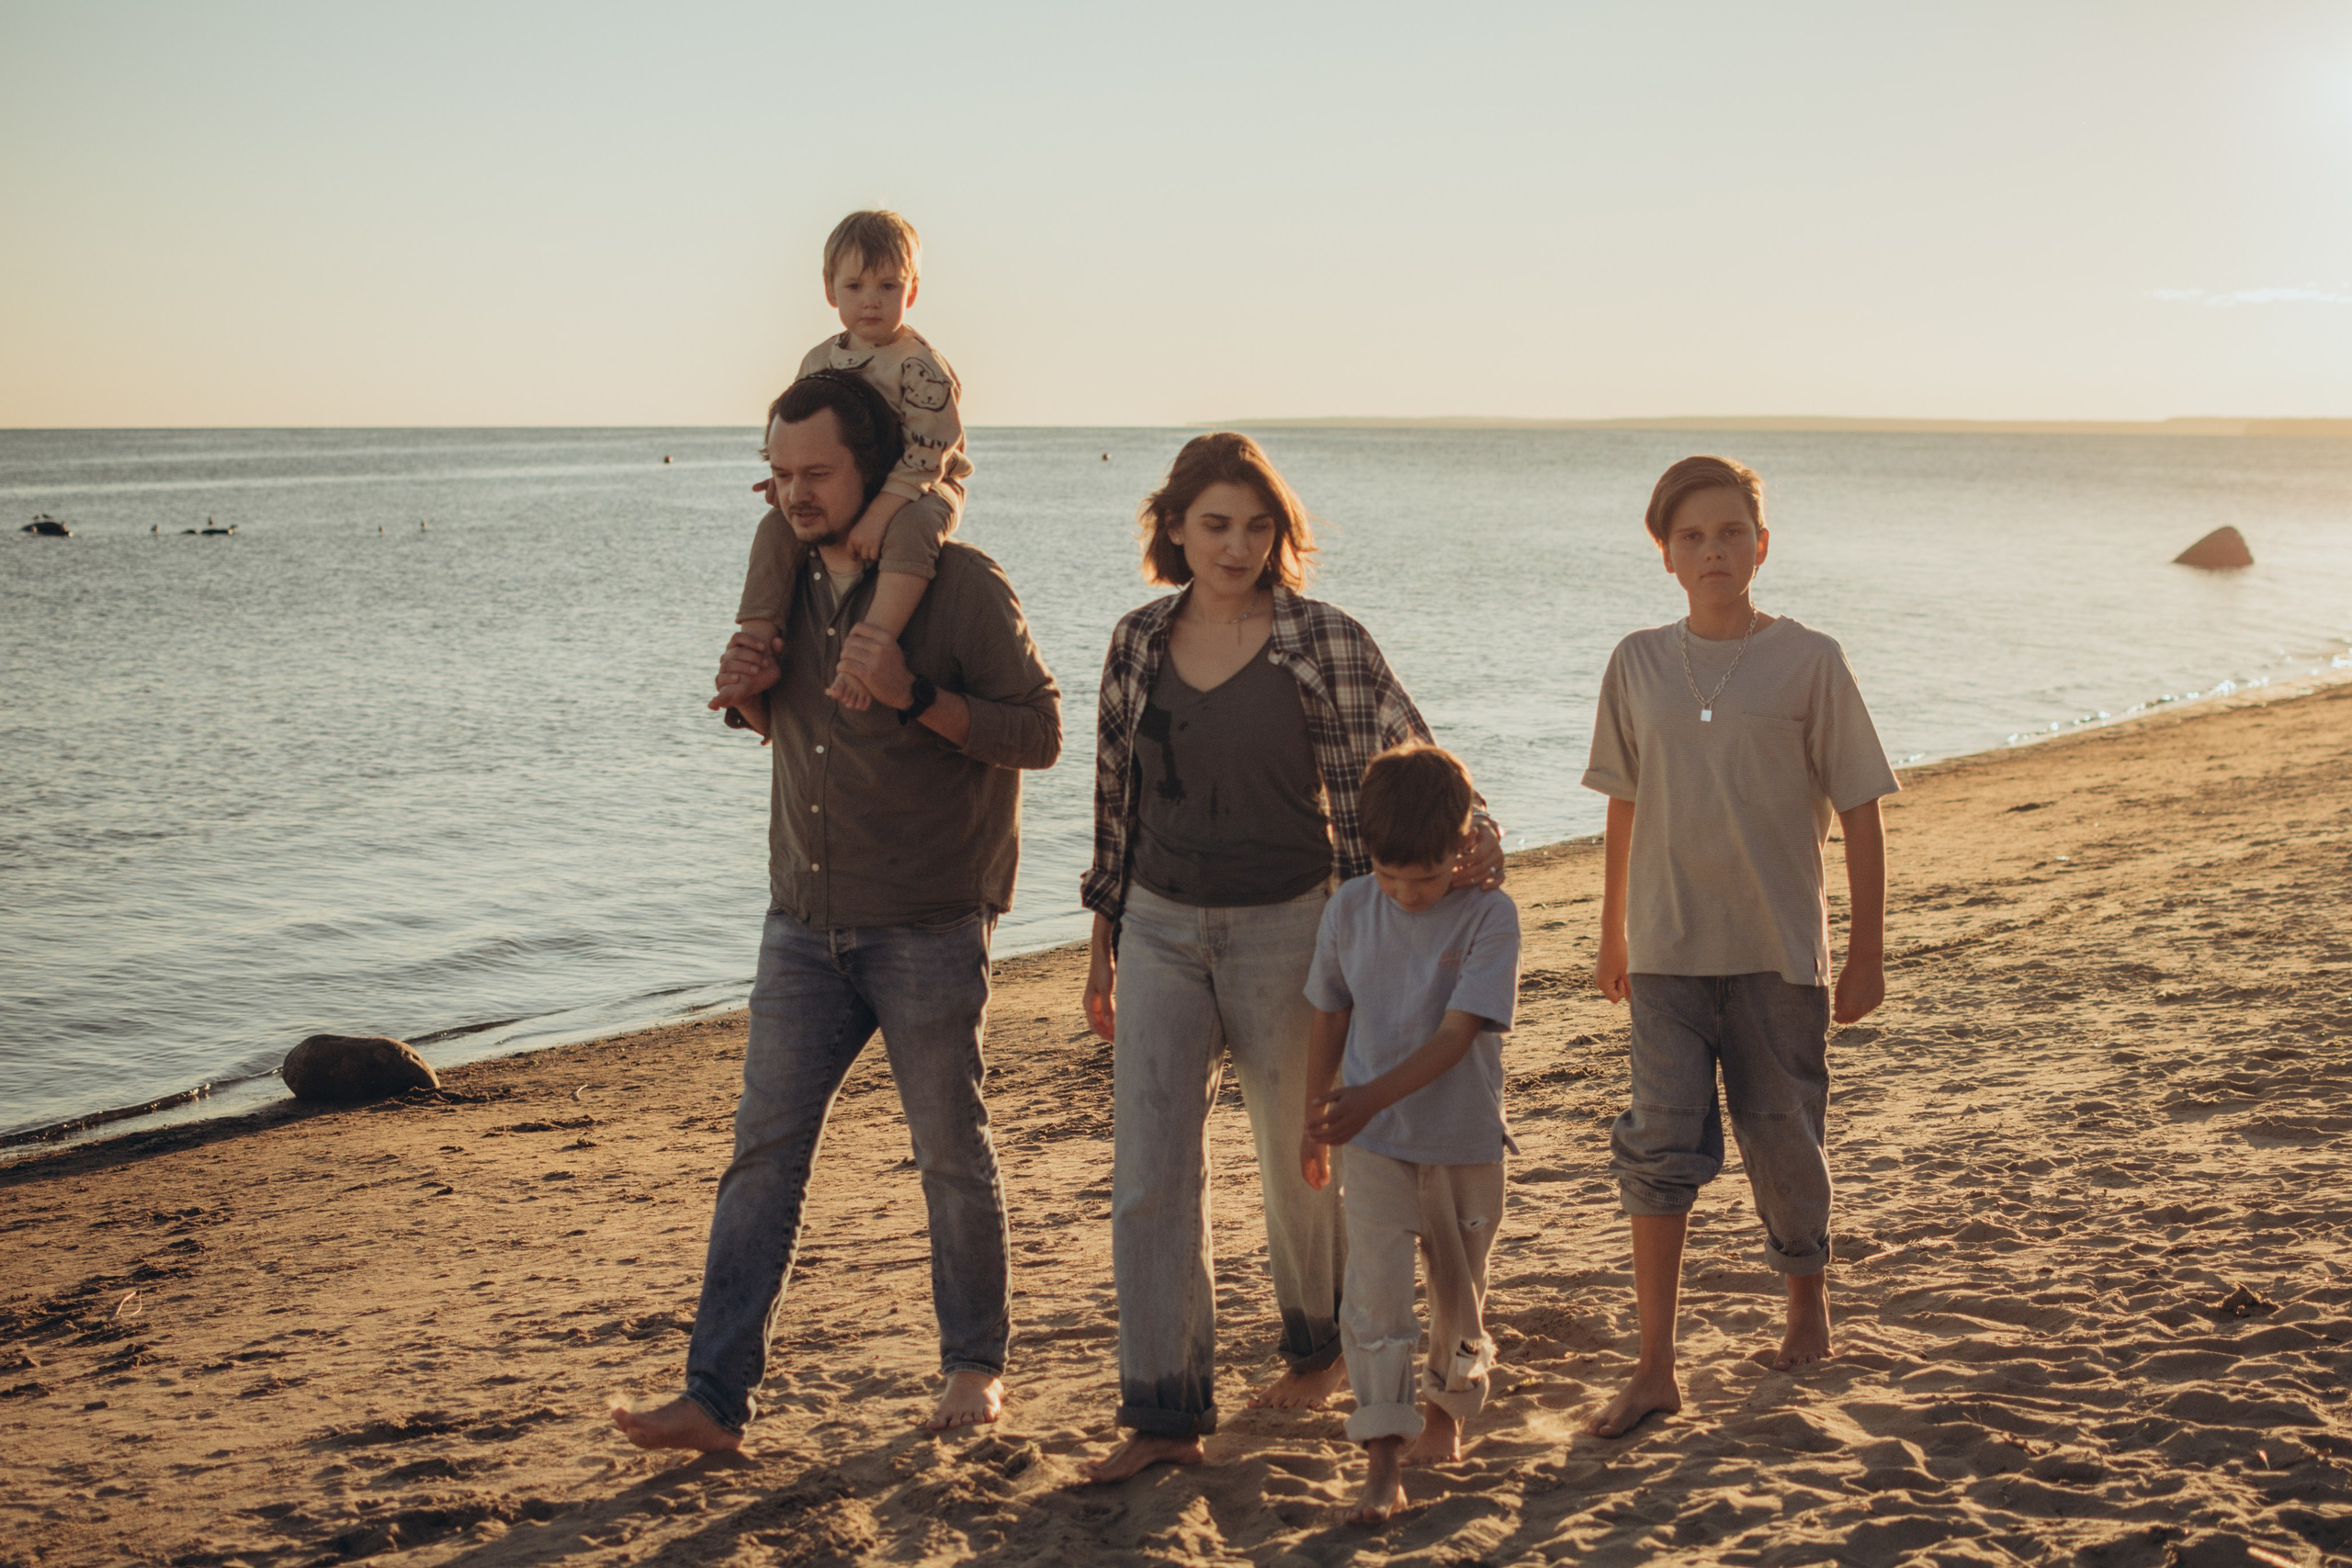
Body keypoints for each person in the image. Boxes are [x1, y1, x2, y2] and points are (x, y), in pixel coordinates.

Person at [614, 371, 1060, 1451]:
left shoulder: (959, 584)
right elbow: (798, 732)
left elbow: (1037, 734)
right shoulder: (788, 583)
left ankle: (974, 1367)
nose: (794, 493)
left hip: (927, 919)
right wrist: (747, 693)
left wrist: (917, 694)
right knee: (761, 1157)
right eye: (780, 473)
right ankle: (715, 1400)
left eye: (815, 473)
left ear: (874, 470)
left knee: (949, 1152)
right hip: (800, 921)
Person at [1077, 432, 1507, 1483]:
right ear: (1174, 528)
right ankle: (1165, 1413)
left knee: (1301, 1158)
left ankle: (1313, 1349)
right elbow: (1112, 806)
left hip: (1293, 926)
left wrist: (1477, 836)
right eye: (1215, 524)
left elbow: (1412, 750)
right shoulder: (1136, 641)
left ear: (1280, 534)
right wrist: (1103, 946)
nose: (1236, 545)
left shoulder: (1323, 639)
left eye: (1256, 526)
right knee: (1149, 1174)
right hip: (1161, 926)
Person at [1580, 455, 1896, 1438]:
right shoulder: (1636, 662)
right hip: (1668, 952)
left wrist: (1866, 951)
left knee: (1783, 1138)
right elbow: (1622, 806)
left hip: (1777, 953)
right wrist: (1611, 933)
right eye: (1690, 538)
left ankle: (1806, 1302)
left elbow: (1860, 809)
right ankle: (1655, 1362)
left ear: (1760, 546)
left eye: (1729, 534)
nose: (1711, 551)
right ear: (1665, 557)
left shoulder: (1810, 659)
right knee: (1658, 1152)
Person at [1300, 743, 1521, 1522]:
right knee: (1376, 1293)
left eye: (1425, 878)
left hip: (1463, 1141)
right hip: (1375, 1145)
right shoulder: (1349, 908)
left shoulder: (1491, 914)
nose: (1408, 894)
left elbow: (1459, 1035)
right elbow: (1329, 1012)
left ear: (1462, 844)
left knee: (1460, 1301)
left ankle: (1446, 1412)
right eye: (1392, 877)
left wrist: (1365, 1098)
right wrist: (1317, 1117)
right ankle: (1383, 1455)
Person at [722, 209, 972, 713]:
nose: (871, 301)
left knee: (912, 532)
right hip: (849, 489)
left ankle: (868, 651)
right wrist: (786, 480)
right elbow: (799, 427)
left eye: (887, 286)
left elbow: (930, 451)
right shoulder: (819, 361)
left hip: (923, 484)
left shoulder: (919, 365)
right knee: (775, 527)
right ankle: (756, 644)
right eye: (855, 286)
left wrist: (881, 511)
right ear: (830, 290)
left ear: (913, 291)